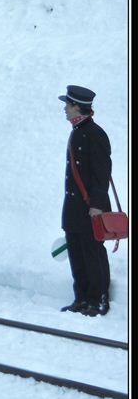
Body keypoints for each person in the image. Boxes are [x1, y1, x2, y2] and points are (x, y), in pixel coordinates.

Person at [58, 85, 112, 316]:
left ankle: (98, 299)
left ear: (77, 106)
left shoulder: (95, 134)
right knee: (77, 253)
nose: (65, 109)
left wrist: (97, 206)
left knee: (93, 253)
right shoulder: (77, 130)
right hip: (74, 207)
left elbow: (102, 173)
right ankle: (81, 298)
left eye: (67, 105)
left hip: (91, 208)